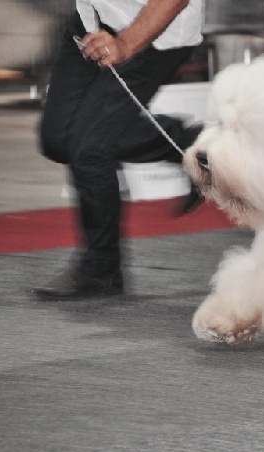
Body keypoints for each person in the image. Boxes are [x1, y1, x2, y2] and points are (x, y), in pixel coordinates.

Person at [33, 0, 204, 300]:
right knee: (58, 140)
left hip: (153, 32)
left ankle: (101, 268)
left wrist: (124, 44)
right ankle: (188, 145)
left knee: (90, 149)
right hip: (91, 21)